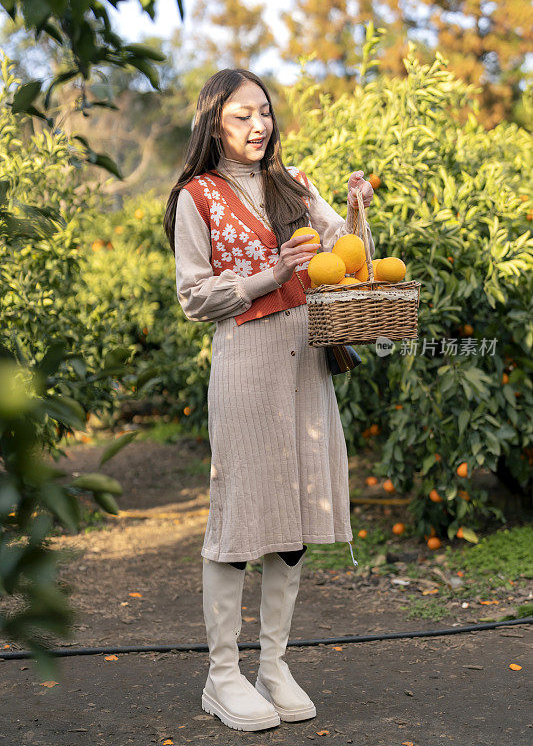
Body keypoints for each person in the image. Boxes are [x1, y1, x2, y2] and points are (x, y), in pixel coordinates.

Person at [164, 68, 375, 733]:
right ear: (213, 124)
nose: (258, 127)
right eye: (240, 117)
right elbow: (194, 298)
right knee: (243, 513)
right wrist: (271, 274)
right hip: (247, 361)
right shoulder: (195, 198)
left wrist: (357, 208)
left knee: (296, 508)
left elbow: (357, 262)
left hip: (306, 360)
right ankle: (222, 674)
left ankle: (274, 665)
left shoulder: (293, 186)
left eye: (263, 113)